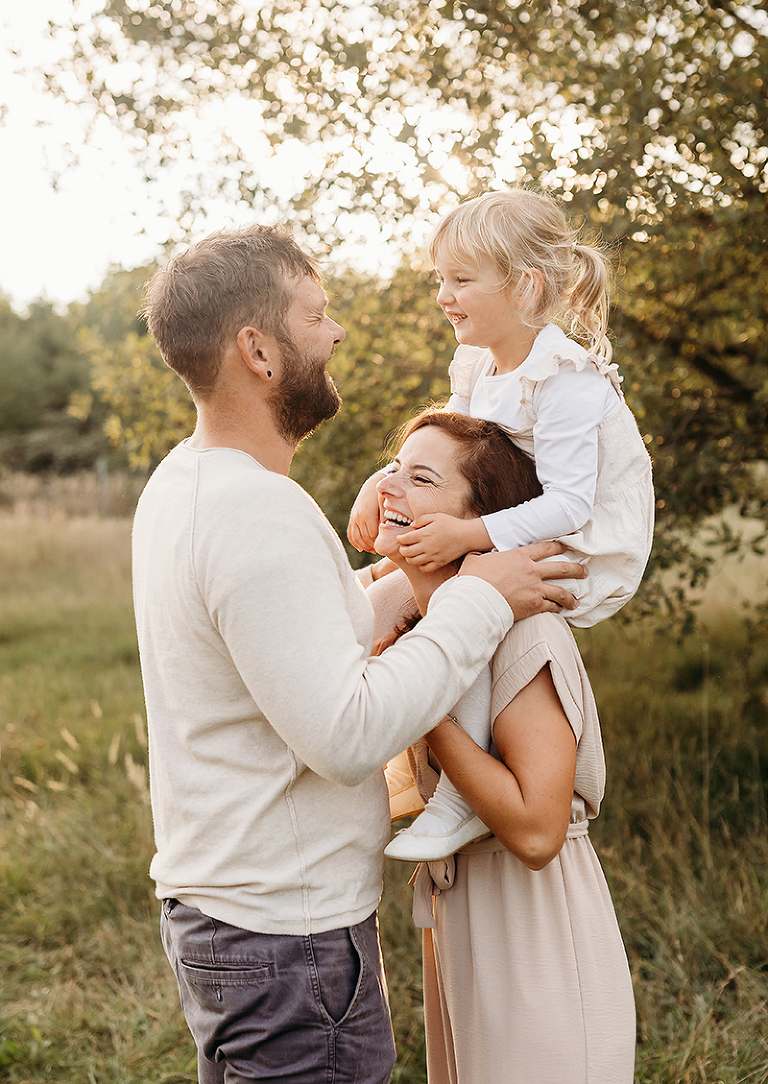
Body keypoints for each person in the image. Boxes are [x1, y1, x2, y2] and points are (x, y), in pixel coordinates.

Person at [131, 222, 587, 1084]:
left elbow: (289, 639)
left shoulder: (184, 484)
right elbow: (344, 736)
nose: (337, 333)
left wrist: (411, 589)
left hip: (235, 919)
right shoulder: (259, 510)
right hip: (284, 943)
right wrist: (481, 599)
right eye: (318, 315)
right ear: (258, 351)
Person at [348, 188, 654, 861]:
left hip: (579, 541)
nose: (442, 296)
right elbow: (445, 446)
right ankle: (349, 723)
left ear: (523, 286)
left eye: (460, 280)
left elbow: (572, 504)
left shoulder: (566, 380)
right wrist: (382, 484)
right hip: (511, 518)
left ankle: (462, 798)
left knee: (467, 600)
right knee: (387, 586)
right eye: (441, 279)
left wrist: (466, 537)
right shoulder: (482, 366)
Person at [368, 407, 636, 1084]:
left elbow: (539, 831)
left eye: (421, 478)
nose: (389, 487)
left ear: (482, 519)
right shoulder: (428, 618)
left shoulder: (521, 633)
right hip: (461, 923)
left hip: (534, 928)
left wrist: (423, 707)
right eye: (392, 468)